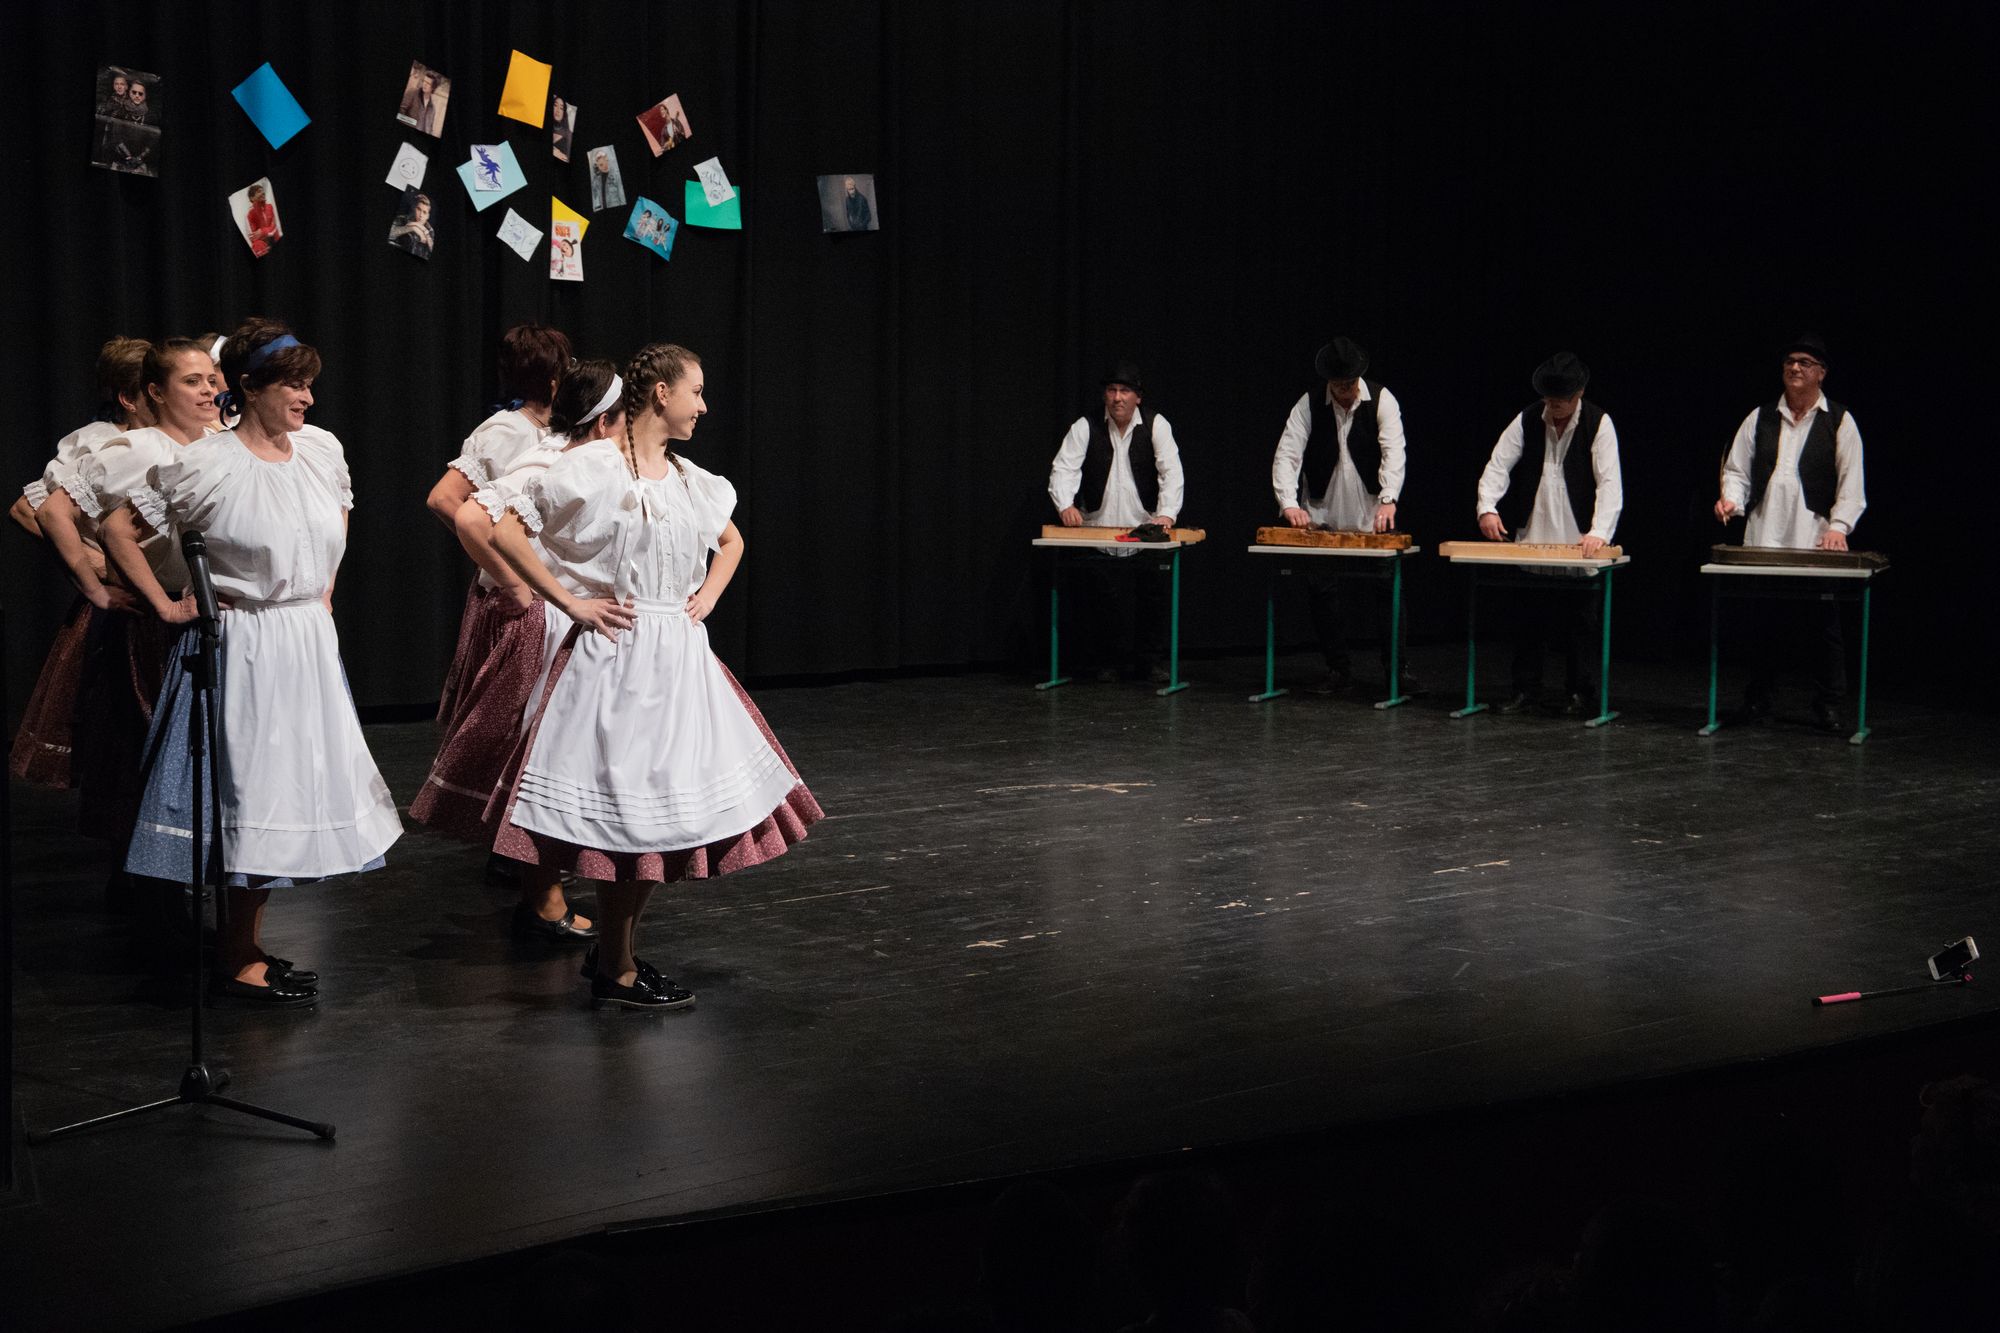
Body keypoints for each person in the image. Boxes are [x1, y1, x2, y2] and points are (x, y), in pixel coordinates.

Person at [486, 343, 823, 1010]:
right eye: (695, 391)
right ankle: (615, 966)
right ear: (661, 393)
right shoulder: (593, 467)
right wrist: (571, 601)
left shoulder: (692, 480)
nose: (704, 406)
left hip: (678, 662)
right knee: (629, 825)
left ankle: (616, 958)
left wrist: (706, 598)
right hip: (616, 663)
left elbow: (731, 542)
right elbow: (505, 532)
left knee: (661, 825)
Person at [111, 319, 402, 1006]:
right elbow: (117, 526)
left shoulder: (321, 449)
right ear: (249, 387)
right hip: (243, 643)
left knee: (288, 793)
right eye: (292, 384)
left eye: (309, 384)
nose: (307, 397)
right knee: (250, 797)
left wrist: (322, 586)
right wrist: (167, 604)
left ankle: (242, 947)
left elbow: (336, 513)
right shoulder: (207, 463)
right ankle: (236, 953)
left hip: (305, 640)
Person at [411, 360, 627, 944]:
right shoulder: (549, 463)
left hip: (564, 621)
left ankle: (540, 888)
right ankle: (543, 903)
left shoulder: (578, 460)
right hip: (550, 625)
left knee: (551, 760)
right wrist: (519, 587)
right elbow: (467, 515)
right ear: (603, 422)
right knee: (538, 761)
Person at [9, 338, 152, 787]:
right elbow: (28, 509)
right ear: (129, 397)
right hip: (122, 602)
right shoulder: (99, 442)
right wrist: (96, 563)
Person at [1715, 333, 1866, 731]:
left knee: (1822, 626)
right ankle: (1758, 700)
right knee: (1763, 624)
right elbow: (1737, 470)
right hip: (1765, 536)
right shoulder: (1760, 416)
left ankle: (1828, 704)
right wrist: (1731, 500)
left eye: (1804, 362)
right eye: (1789, 362)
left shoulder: (1839, 420)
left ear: (1821, 373)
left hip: (1813, 539)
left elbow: (1852, 482)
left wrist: (1839, 527)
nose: (1795, 368)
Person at [1473, 351, 1624, 715]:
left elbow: (1609, 482)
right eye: (1549, 399)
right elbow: (1498, 464)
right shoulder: (1528, 418)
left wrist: (1599, 531)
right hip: (1536, 533)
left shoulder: (1598, 423)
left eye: (1561, 400)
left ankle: (1581, 694)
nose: (1554, 406)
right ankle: (1525, 690)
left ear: (1579, 394)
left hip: (1578, 539)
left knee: (1580, 623)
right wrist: (1487, 507)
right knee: (1529, 620)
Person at [1270, 337, 1411, 693]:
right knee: (1322, 592)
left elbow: (1394, 451)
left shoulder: (1381, 400)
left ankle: (1397, 671)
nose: (1345, 392)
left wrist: (1389, 498)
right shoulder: (1309, 404)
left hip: (1371, 514)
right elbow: (1288, 454)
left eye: (1349, 384)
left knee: (1388, 590)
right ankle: (1337, 669)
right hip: (1324, 514)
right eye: (1338, 386)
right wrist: (1289, 503)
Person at [1047, 361, 1185, 682]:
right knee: (1098, 601)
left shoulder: (1155, 425)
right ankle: (1102, 662)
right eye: (1112, 390)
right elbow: (1064, 468)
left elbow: (1171, 471)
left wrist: (1167, 512)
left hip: (1144, 530)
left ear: (1138, 396)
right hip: (1099, 529)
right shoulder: (1086, 426)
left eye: (1125, 391)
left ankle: (1148, 663)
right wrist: (1065, 504)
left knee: (1151, 599)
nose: (1118, 397)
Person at [388, 192, 434, 259]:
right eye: (419, 209)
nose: (421, 215)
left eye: (424, 212)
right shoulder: (402, 219)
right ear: (414, 208)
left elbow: (431, 250)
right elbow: (389, 234)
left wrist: (424, 231)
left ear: (428, 216)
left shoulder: (430, 229)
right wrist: (413, 228)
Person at [399, 67, 442, 136]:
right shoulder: (412, 93)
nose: (424, 84)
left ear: (433, 87)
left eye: (428, 83)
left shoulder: (432, 109)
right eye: (424, 81)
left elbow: (430, 128)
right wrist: (413, 123)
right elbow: (400, 114)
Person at [244, 183, 279, 257]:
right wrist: (269, 230)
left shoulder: (270, 207)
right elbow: (253, 237)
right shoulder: (249, 214)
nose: (263, 193)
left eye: (263, 191)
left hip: (274, 240)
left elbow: (276, 227)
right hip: (263, 246)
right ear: (252, 198)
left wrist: (263, 231)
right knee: (257, 245)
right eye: (259, 191)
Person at [551, 96, 574, 162]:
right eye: (555, 105)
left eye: (561, 108)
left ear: (564, 113)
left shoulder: (568, 134)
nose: (558, 110)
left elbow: (567, 159)